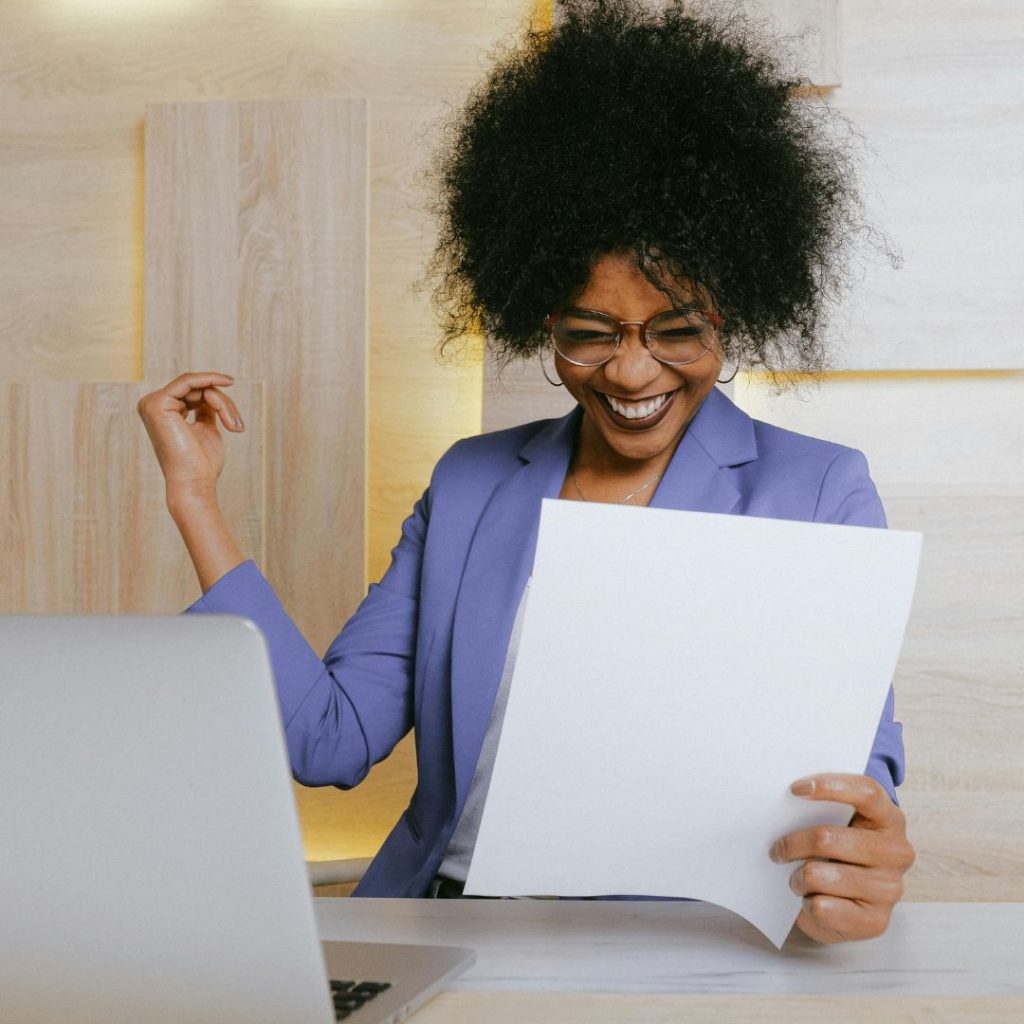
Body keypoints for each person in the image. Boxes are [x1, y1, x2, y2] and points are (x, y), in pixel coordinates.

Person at [138, 0, 914, 942]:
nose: (631, 372)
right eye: (591, 334)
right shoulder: (472, 484)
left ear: (733, 316)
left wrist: (858, 859)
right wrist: (194, 500)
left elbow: (857, 766)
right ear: (538, 318)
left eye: (678, 331)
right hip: (442, 934)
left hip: (672, 950)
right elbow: (328, 741)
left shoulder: (818, 492)